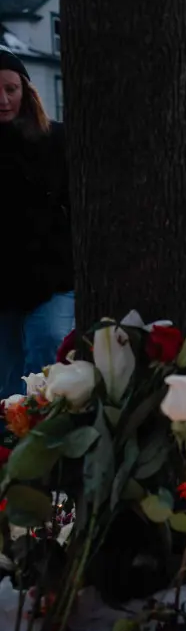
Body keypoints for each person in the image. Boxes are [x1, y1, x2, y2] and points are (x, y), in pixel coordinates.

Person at [0, 48, 73, 398]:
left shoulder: (55, 139)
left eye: (11, 89)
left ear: (25, 91)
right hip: (3, 280)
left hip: (52, 273)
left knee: (47, 350)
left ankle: (46, 425)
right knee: (8, 375)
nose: (3, 100)